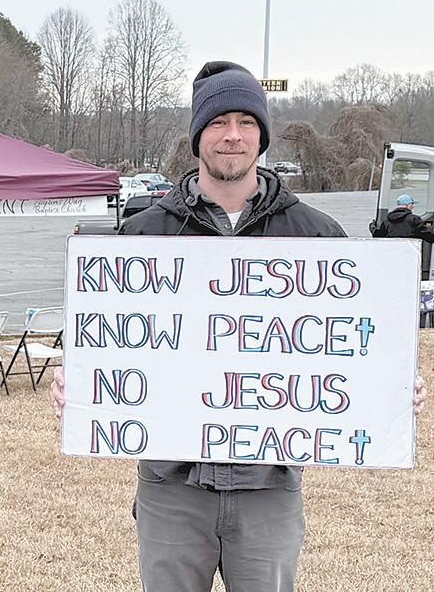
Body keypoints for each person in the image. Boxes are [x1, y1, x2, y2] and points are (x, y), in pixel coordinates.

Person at [49, 60, 429, 592]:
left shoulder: (316, 236)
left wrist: (392, 388)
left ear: (262, 135)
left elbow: (356, 343)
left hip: (268, 489)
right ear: (197, 136)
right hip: (171, 488)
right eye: (218, 122)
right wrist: (78, 381)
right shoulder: (142, 236)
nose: (233, 135)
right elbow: (104, 339)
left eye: (246, 122)